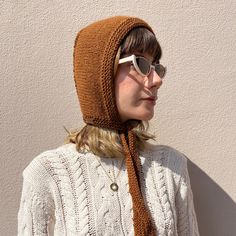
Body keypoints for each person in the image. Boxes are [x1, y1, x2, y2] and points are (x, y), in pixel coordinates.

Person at [17, 16, 200, 236]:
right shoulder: (46, 173)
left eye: (155, 66)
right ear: (100, 75)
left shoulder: (172, 166)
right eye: (140, 64)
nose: (157, 80)